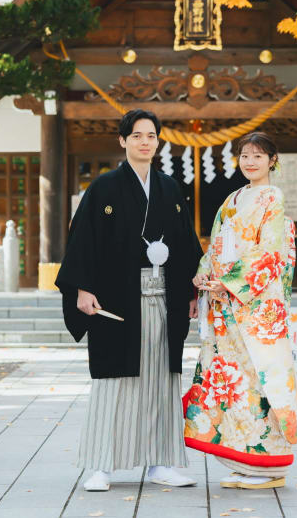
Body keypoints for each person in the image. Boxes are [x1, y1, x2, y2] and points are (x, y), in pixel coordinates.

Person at [56, 109, 203, 492]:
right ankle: (101, 465)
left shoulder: (170, 188)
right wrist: (82, 288)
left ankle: (161, 463)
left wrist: (191, 292)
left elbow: (186, 243)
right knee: (115, 381)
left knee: (161, 380)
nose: (144, 142)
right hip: (117, 298)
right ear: (123, 141)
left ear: (158, 141)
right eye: (136, 135)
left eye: (151, 135)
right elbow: (82, 240)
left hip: (164, 296)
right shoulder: (103, 188)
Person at [183, 131, 297, 490]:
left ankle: (270, 465)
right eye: (245, 156)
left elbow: (270, 251)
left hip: (254, 307)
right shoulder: (232, 199)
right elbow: (216, 244)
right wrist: (204, 272)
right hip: (227, 306)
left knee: (259, 380)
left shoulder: (272, 197)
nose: (250, 162)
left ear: (272, 160)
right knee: (234, 383)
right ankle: (246, 460)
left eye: (258, 156)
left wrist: (231, 282)